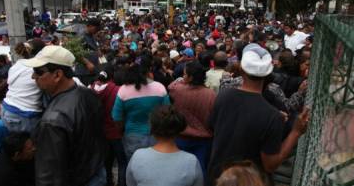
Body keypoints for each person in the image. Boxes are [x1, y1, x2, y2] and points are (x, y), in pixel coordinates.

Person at [207, 43, 309, 186]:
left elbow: (212, 128)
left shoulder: (223, 96)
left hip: (218, 179)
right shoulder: (272, 116)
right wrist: (296, 132)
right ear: (268, 74)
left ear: (241, 69)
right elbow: (270, 165)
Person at [23, 46, 106, 186]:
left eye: (38, 72)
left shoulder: (53, 120)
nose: (33, 77)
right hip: (95, 172)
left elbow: (48, 176)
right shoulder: (88, 93)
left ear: (57, 75)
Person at [125, 105, 203, 186]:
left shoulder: (137, 157)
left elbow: (130, 183)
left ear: (152, 128)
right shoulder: (191, 162)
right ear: (179, 130)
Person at [112, 60, 170, 163]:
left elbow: (116, 117)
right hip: (157, 135)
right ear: (147, 74)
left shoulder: (123, 90)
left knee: (135, 166)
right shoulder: (160, 88)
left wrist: (122, 130)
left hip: (133, 136)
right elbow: (168, 112)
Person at [168, 60, 216, 175]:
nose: (182, 76)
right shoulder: (211, 94)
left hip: (181, 137)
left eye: (184, 74)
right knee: (200, 171)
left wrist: (180, 81)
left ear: (190, 77)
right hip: (203, 140)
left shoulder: (177, 90)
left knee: (179, 172)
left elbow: (171, 86)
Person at [90, 66, 127, 186]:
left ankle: (108, 182)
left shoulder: (90, 89)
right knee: (122, 162)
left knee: (106, 162)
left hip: (99, 132)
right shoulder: (117, 90)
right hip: (116, 132)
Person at [1, 40, 45, 133]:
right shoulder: (38, 68)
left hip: (5, 109)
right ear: (41, 52)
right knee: (30, 146)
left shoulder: (16, 65)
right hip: (25, 115)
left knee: (15, 145)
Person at [75, 18, 101, 86]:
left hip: (92, 70)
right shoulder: (81, 36)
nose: (97, 30)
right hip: (84, 72)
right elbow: (76, 53)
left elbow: (91, 47)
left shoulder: (91, 35)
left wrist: (97, 50)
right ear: (90, 26)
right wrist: (87, 63)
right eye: (96, 28)